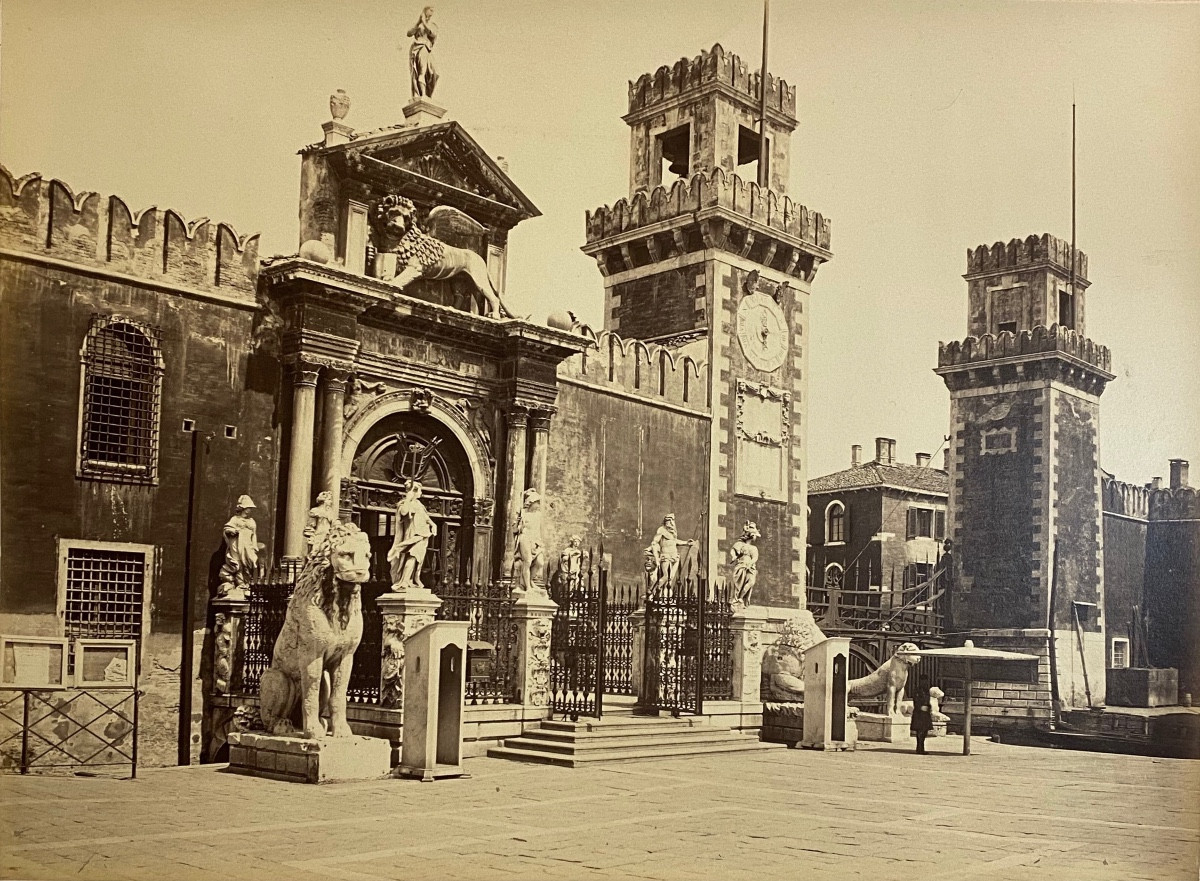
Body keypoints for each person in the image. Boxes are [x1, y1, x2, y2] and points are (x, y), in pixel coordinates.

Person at [387, 480, 437, 590]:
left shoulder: (419, 505)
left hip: (423, 534)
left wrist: (432, 524)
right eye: (419, 490)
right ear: (413, 491)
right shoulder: (405, 503)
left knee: (418, 559)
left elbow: (425, 517)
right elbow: (404, 512)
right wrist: (408, 498)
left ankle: (413, 579)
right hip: (413, 534)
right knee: (413, 556)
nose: (421, 493)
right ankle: (404, 581)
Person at [218, 495, 261, 600]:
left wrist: (254, 545)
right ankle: (241, 584)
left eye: (250, 508)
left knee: (251, 562)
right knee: (238, 564)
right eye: (248, 508)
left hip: (248, 545)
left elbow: (254, 534)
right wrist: (233, 531)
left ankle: (248, 583)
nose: (249, 510)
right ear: (242, 508)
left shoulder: (251, 521)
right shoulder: (235, 519)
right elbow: (227, 529)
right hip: (237, 545)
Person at [645, 513, 695, 593]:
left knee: (670, 578)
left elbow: (674, 541)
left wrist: (686, 543)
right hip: (666, 556)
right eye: (668, 520)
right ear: (665, 521)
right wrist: (656, 558)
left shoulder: (672, 532)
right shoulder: (661, 530)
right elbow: (654, 542)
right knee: (666, 576)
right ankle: (653, 591)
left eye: (672, 520)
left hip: (675, 556)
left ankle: (665, 594)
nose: (671, 522)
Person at [406, 6, 439, 99]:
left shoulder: (432, 25)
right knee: (422, 70)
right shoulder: (418, 25)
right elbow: (409, 33)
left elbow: (432, 33)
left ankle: (427, 95)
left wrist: (424, 22)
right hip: (419, 47)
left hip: (428, 48)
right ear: (425, 10)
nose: (432, 13)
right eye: (430, 10)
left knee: (435, 73)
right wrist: (418, 21)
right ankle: (423, 94)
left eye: (433, 11)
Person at [729, 521, 761, 606]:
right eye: (754, 535)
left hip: (750, 567)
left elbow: (755, 558)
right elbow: (733, 551)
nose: (755, 538)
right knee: (739, 584)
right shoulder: (739, 544)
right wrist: (734, 556)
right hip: (741, 565)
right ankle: (737, 599)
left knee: (751, 582)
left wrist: (750, 564)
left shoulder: (754, 548)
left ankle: (741, 598)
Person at [911, 675, 934, 754]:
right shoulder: (917, 690)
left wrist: (929, 707)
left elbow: (928, 701)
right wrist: (920, 707)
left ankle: (922, 748)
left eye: (926, 681)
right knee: (920, 732)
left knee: (925, 732)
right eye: (923, 681)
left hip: (926, 714)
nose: (925, 683)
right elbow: (916, 701)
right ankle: (919, 748)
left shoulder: (927, 691)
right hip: (919, 713)